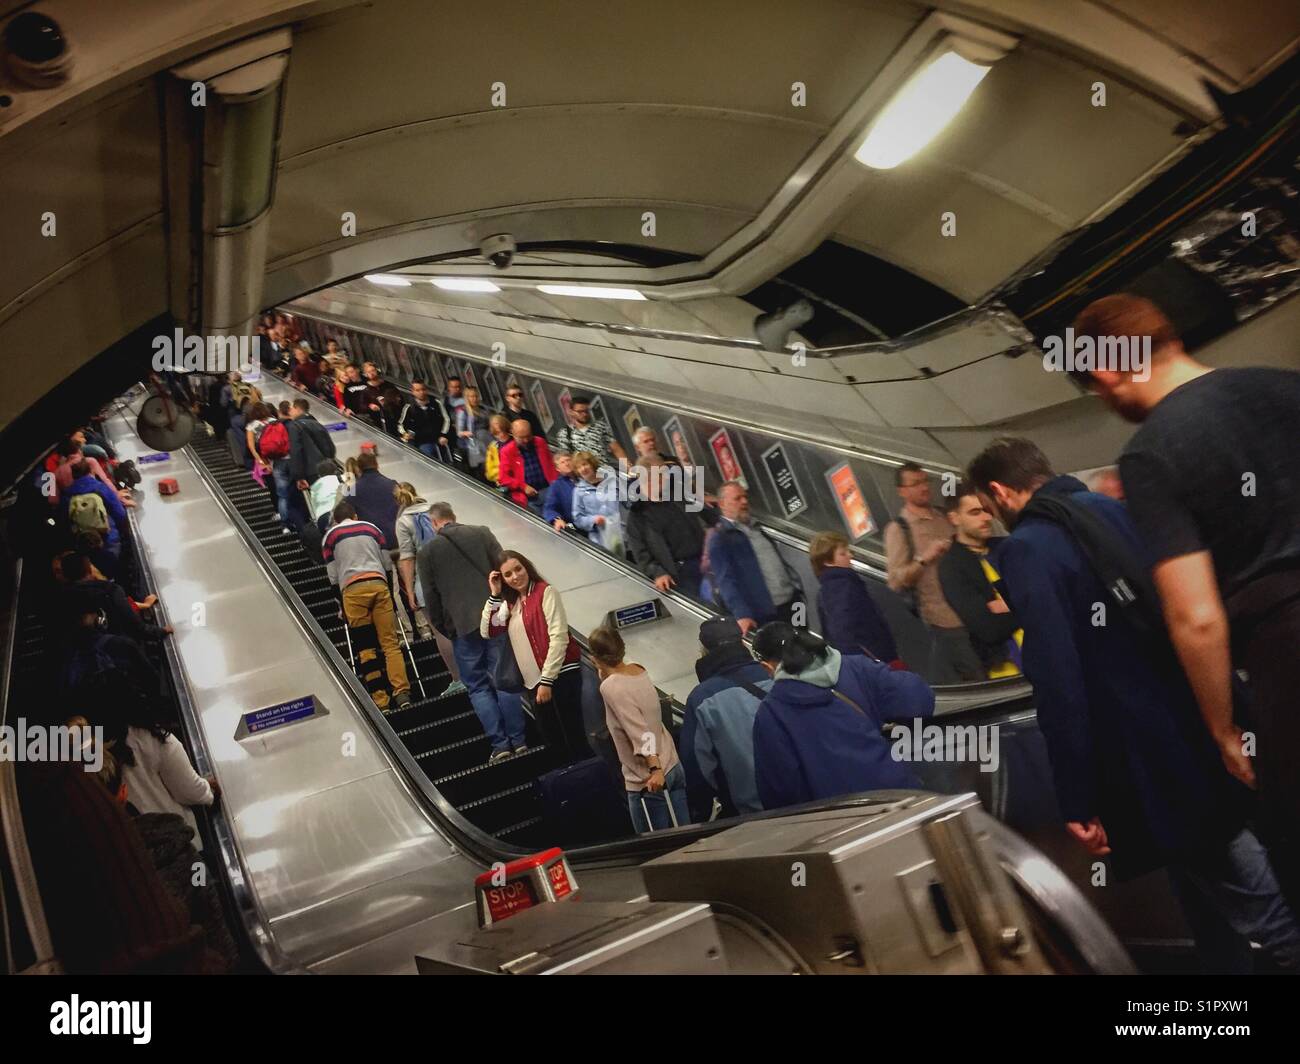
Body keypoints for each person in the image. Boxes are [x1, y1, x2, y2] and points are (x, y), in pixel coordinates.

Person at [966, 435, 1300, 973]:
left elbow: (1058, 679)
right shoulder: (1111, 510)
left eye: (987, 505)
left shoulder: (1029, 548)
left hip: (1160, 764)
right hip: (1212, 722)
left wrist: (1076, 796)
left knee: (1264, 910)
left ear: (1001, 492)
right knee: (1228, 883)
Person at [1072, 292, 1300, 916]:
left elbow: (1195, 617)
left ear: (1108, 370)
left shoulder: (1153, 451)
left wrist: (1225, 729)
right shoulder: (1286, 388)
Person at [750, 623, 935, 810]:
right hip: (898, 796)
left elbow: (781, 791)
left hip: (840, 816)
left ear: (767, 667)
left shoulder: (772, 712)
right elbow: (918, 700)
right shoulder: (857, 667)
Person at [416, 503, 526, 762]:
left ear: (434, 524)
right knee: (505, 679)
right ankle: (520, 741)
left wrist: (445, 628)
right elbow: (505, 571)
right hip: (495, 617)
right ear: (454, 517)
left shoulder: (427, 552)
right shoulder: (482, 533)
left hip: (461, 627)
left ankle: (500, 746)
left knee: (477, 687)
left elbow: (430, 597)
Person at [883, 462, 984, 683]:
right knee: (977, 677)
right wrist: (924, 558)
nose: (924, 487)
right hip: (946, 621)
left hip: (975, 610)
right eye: (915, 483)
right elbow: (895, 582)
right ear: (902, 491)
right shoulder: (899, 529)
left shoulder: (944, 516)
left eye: (925, 481)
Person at [482, 551, 584, 759]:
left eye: (518, 569)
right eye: (508, 574)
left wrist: (546, 681)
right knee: (555, 745)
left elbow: (559, 637)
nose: (515, 576)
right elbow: (488, 630)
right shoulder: (513, 603)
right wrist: (494, 594)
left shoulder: (545, 592)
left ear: (527, 566)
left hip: (560, 675)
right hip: (533, 684)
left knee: (574, 741)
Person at [588, 625, 689, 833]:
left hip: (648, 781)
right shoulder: (638, 669)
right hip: (674, 765)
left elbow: (640, 731)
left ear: (595, 658)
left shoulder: (611, 688)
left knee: (658, 852)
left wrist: (655, 769)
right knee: (689, 839)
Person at [322, 500, 411, 710]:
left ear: (335, 519)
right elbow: (387, 562)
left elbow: (333, 576)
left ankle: (381, 701)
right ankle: (402, 694)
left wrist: (341, 604)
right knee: (389, 643)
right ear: (354, 516)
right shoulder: (372, 528)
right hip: (378, 584)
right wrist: (388, 589)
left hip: (352, 592)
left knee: (365, 647)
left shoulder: (330, 537)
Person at [681, 618, 768, 822]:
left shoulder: (701, 698)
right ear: (743, 642)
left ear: (703, 650)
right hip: (802, 796)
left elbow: (698, 768)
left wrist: (701, 814)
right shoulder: (774, 673)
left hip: (750, 812)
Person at [938, 483, 1022, 678]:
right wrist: (1027, 601)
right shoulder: (952, 566)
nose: (986, 518)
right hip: (1008, 668)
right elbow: (988, 629)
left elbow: (1051, 593)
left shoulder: (1007, 547)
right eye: (975, 512)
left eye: (986, 510)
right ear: (954, 518)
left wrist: (1007, 604)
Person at [394, 482, 463, 695]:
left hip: (426, 583)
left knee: (441, 633)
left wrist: (410, 592)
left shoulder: (403, 521)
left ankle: (458, 679)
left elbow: (406, 558)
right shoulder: (435, 511)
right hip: (452, 577)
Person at [708, 481, 803, 632]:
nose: (744, 502)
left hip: (793, 603)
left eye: (745, 497)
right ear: (722, 504)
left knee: (805, 644)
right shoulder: (720, 539)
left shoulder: (756, 528)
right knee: (784, 652)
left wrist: (797, 588)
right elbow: (725, 580)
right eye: (737, 499)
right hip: (767, 612)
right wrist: (742, 614)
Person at [810, 531, 900, 666]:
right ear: (828, 561)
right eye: (843, 553)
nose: (850, 556)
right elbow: (843, 634)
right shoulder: (842, 588)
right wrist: (870, 664)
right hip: (875, 660)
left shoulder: (826, 590)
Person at [626, 455, 709, 597]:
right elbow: (641, 554)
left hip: (703, 563)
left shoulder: (677, 497)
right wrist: (658, 573)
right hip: (679, 573)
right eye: (662, 474)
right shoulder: (637, 515)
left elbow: (703, 520)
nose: (666, 477)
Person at [62, 459, 130, 573]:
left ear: (73, 475)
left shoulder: (67, 495)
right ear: (91, 471)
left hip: (82, 545)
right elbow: (119, 514)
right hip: (108, 540)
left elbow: (64, 522)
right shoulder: (100, 488)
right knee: (112, 570)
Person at [496, 417, 557, 512]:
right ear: (513, 435)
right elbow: (503, 478)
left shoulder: (540, 442)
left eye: (528, 436)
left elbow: (552, 466)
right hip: (528, 497)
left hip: (549, 489)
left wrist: (556, 484)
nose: (526, 440)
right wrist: (523, 486)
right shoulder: (507, 451)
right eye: (521, 437)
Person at [570, 450, 623, 552]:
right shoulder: (578, 491)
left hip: (623, 533)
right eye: (579, 467)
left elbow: (627, 503)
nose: (583, 469)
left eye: (585, 464)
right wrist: (593, 520)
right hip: (601, 540)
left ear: (592, 464)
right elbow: (577, 518)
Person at [556, 394, 627, 469]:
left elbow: (616, 449)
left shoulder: (600, 426)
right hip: (584, 473)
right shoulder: (565, 434)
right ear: (571, 412)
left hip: (605, 471)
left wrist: (627, 467)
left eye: (586, 411)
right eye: (580, 412)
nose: (584, 414)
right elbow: (567, 459)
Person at [286, 398, 336, 499]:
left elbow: (296, 451)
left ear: (298, 409)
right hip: (326, 469)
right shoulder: (318, 424)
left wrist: (298, 476)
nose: (290, 411)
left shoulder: (295, 426)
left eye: (292, 408)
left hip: (310, 472)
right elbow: (331, 448)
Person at [397, 380, 451, 459]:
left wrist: (443, 435)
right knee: (427, 454)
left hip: (439, 439)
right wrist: (405, 433)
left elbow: (446, 419)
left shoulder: (436, 403)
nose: (421, 392)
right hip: (421, 441)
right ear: (413, 392)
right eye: (417, 390)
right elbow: (400, 424)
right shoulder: (409, 407)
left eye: (423, 389)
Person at [455, 387, 492, 478]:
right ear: (467, 398)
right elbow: (459, 432)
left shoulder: (483, 410)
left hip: (486, 436)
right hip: (472, 439)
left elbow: (489, 424)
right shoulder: (463, 412)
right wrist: (469, 433)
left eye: (476, 396)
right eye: (472, 397)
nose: (474, 399)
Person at [542, 451, 578, 530]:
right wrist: (557, 519)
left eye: (568, 460)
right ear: (558, 469)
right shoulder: (556, 486)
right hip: (576, 526)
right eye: (562, 462)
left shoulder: (584, 476)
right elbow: (549, 509)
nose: (566, 464)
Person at [307, 459, 343, 532]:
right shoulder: (339, 481)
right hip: (337, 513)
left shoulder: (314, 488)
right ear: (334, 471)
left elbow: (313, 506)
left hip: (321, 517)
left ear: (319, 474)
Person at [483, 414, 513, 488]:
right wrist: (501, 477)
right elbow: (489, 471)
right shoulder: (492, 447)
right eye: (497, 433)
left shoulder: (516, 441)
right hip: (504, 483)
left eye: (503, 431)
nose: (501, 435)